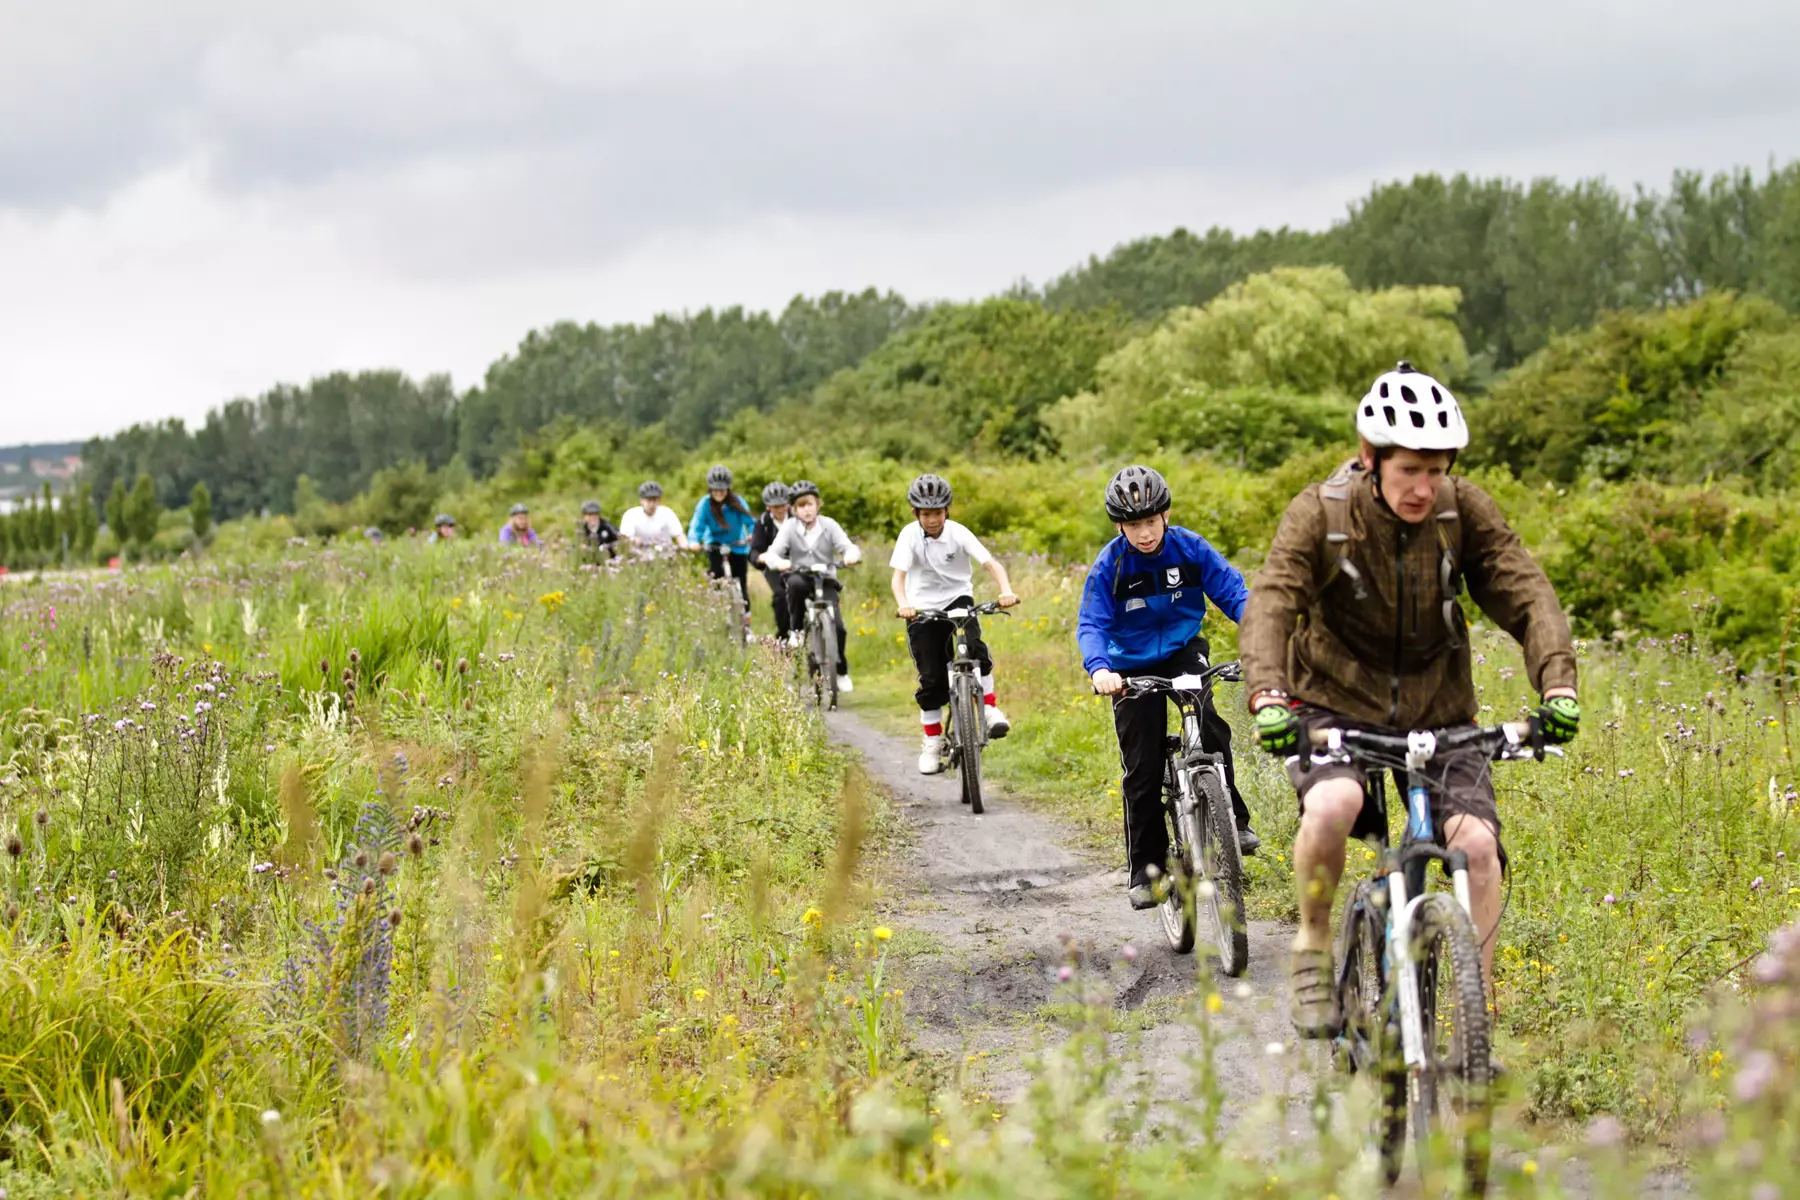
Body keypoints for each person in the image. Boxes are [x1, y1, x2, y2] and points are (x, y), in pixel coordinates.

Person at [1239, 362, 1581, 1039]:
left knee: (1476, 847)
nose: (1425, 488)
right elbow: (1273, 602)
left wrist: (1558, 682)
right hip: (1331, 700)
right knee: (1335, 804)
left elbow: (1524, 590)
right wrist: (1268, 694)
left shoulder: (1463, 510)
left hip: (1438, 708)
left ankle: (1475, 1012)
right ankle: (1312, 946)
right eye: (1409, 472)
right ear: (1371, 458)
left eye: (1436, 470)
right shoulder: (1323, 514)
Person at [1077, 465, 1259, 912]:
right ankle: (1146, 869)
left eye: (1150, 521)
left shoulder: (1190, 548)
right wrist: (1101, 668)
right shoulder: (1111, 565)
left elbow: (1235, 594)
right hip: (1128, 665)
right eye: (1133, 524)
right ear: (1120, 525)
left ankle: (1232, 819)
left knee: (1211, 724)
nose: (1143, 533)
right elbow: (1092, 623)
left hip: (1182, 650)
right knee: (1142, 765)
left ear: (1165, 514)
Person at [890, 473, 1020, 775]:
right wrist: (904, 605)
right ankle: (932, 741)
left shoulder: (959, 533)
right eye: (926, 514)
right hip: (922, 607)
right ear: (916, 513)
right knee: (932, 676)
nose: (932, 519)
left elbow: (991, 564)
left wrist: (1006, 591)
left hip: (957, 599)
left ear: (946, 511)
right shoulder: (909, 536)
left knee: (974, 647)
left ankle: (988, 709)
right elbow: (899, 578)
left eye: (937, 512)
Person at [759, 479, 863, 694]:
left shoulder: (829, 525)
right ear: (794, 510)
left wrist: (851, 556)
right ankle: (796, 630)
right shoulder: (789, 528)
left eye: (809, 504)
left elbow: (847, 546)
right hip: (801, 576)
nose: (806, 510)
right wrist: (778, 562)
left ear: (818, 504)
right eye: (800, 506)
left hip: (826, 578)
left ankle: (841, 671)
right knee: (794, 585)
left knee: (839, 627)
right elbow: (773, 552)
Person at [687, 465, 756, 607]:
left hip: (737, 544)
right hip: (715, 543)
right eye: (715, 489)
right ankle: (716, 610)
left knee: (741, 583)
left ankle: (746, 621)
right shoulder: (704, 504)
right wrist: (693, 541)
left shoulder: (737, 502)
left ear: (728, 489)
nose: (719, 493)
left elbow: (750, 522)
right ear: (710, 489)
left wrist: (753, 534)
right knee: (716, 576)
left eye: (722, 489)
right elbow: (697, 525)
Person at [751, 482, 793, 639]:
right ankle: (783, 637)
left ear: (788, 504)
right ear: (768, 507)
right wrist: (762, 558)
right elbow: (755, 550)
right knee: (781, 595)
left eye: (783, 505)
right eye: (776, 507)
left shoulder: (798, 518)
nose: (780, 509)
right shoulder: (762, 523)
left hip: (798, 563)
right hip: (774, 567)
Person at [619, 481, 688, 551]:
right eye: (649, 500)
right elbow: (625, 539)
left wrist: (684, 546)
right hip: (639, 555)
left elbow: (679, 534)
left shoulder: (667, 513)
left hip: (665, 554)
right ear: (641, 501)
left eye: (655, 500)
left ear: (659, 500)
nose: (652, 504)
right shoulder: (631, 515)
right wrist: (633, 541)